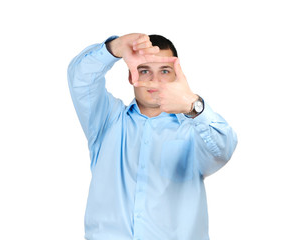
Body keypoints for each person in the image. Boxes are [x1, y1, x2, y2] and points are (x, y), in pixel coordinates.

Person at [67, 33, 238, 240]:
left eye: (164, 71)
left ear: (176, 75)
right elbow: (81, 78)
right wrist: (114, 49)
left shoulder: (194, 130)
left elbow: (223, 150)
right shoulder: (106, 121)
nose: (154, 80)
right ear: (131, 76)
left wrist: (193, 105)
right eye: (144, 70)